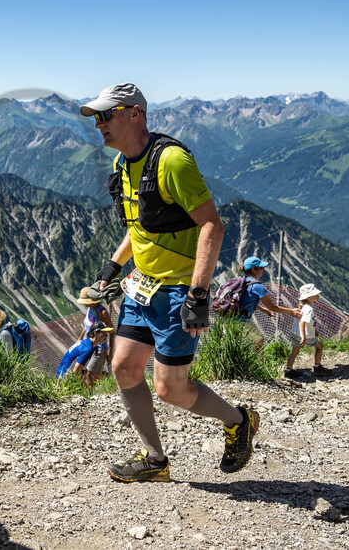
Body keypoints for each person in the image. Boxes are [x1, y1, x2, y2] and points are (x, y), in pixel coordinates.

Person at [82, 82, 259, 483]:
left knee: (170, 389)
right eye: (96, 117)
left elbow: (212, 224)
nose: (99, 125)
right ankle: (155, 461)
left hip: (179, 291)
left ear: (134, 114)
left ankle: (238, 420)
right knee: (124, 367)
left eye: (106, 115)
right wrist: (111, 268)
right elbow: (140, 226)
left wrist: (198, 293)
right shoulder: (122, 167)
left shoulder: (171, 161)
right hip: (140, 286)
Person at [284, 283, 330, 379]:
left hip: (294, 333)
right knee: (320, 347)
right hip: (306, 335)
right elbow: (302, 322)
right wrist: (304, 337)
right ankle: (317, 367)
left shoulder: (301, 307)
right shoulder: (309, 309)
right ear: (309, 297)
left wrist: (315, 330)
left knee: (294, 351)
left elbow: (307, 322)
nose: (318, 295)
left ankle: (288, 371)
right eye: (315, 294)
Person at [236, 256, 301, 321]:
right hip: (240, 321)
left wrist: (262, 309)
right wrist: (292, 311)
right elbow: (272, 307)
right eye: (261, 268)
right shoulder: (258, 286)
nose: (263, 270)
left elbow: (245, 301)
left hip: (229, 319)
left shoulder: (241, 281)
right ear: (253, 270)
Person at [76, 287, 115, 386]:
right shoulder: (90, 309)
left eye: (86, 301)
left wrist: (110, 352)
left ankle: (91, 394)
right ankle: (110, 378)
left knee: (90, 372)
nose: (85, 304)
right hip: (88, 346)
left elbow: (112, 331)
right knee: (87, 371)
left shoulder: (102, 312)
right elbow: (86, 327)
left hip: (99, 348)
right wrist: (79, 340)